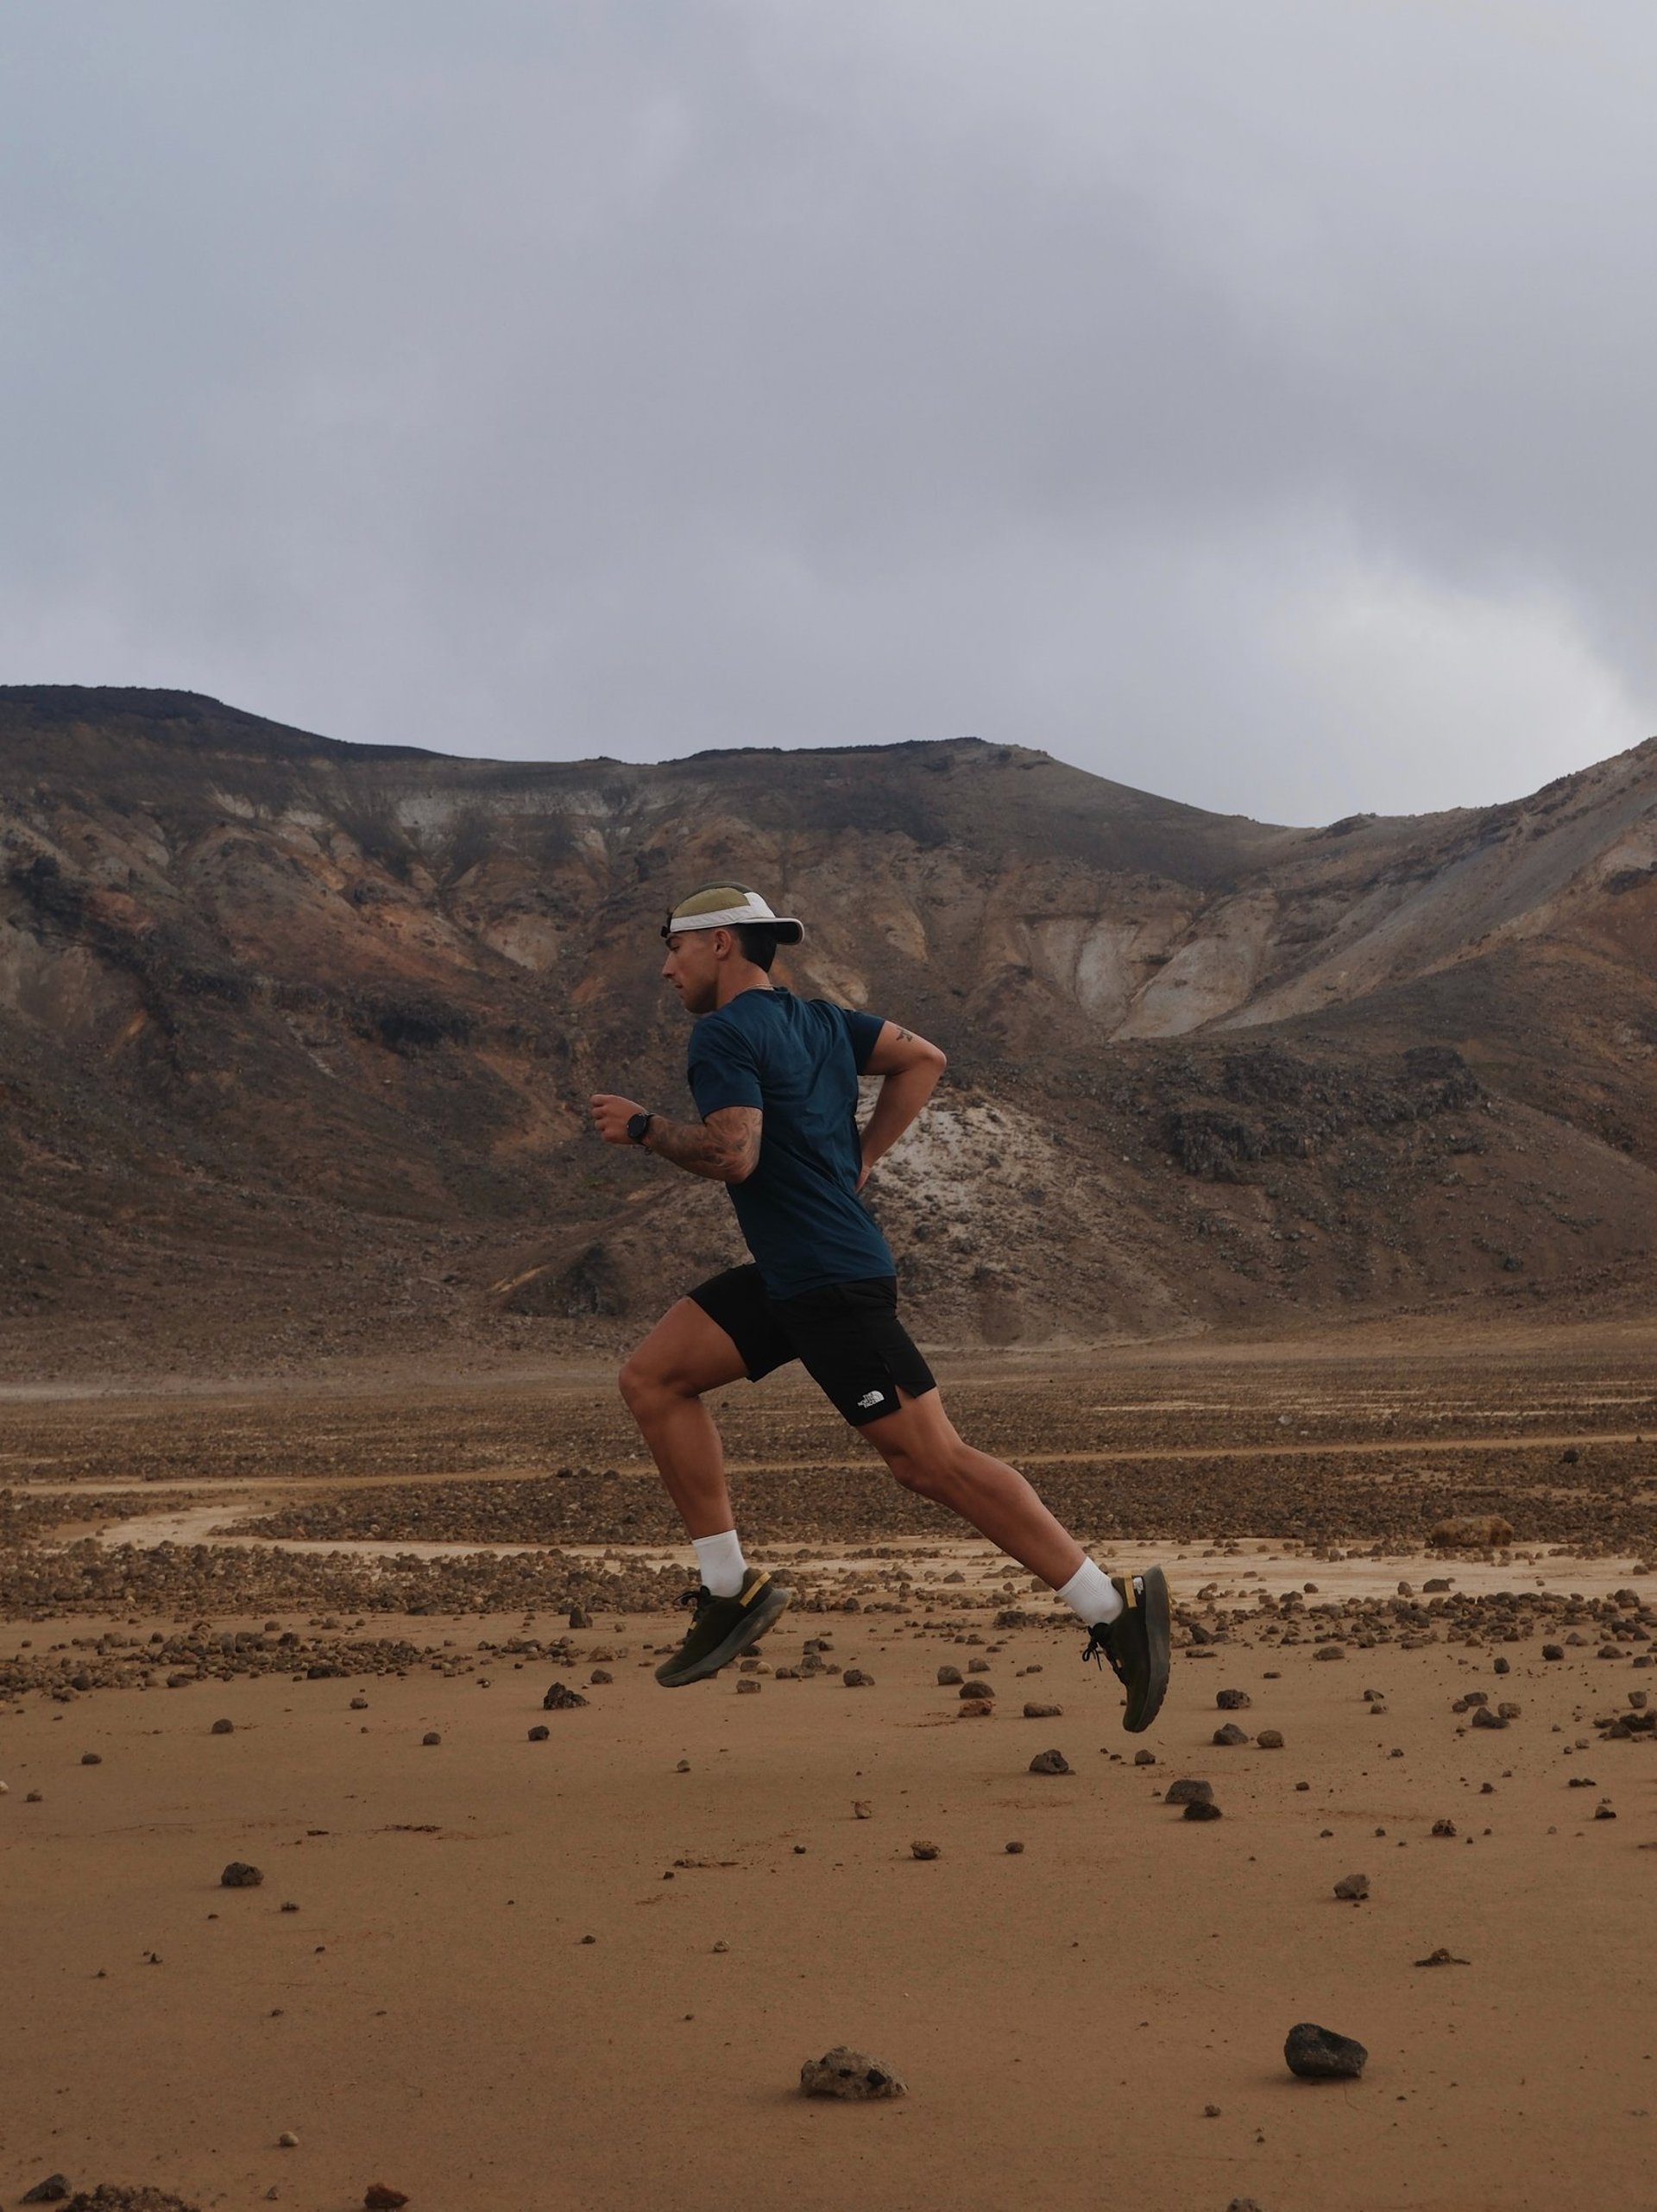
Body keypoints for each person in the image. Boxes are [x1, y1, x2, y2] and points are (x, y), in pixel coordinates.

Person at [589, 880, 1169, 1729]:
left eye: (674, 947)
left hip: (827, 1280)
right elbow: (923, 1056)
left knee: (930, 1462)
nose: (665, 968)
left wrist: (645, 1129)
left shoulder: (722, 1033)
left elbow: (731, 1153)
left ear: (720, 944)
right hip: (795, 1273)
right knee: (654, 1378)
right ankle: (729, 1590)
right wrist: (859, 1157)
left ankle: (1112, 1606)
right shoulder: (821, 1022)